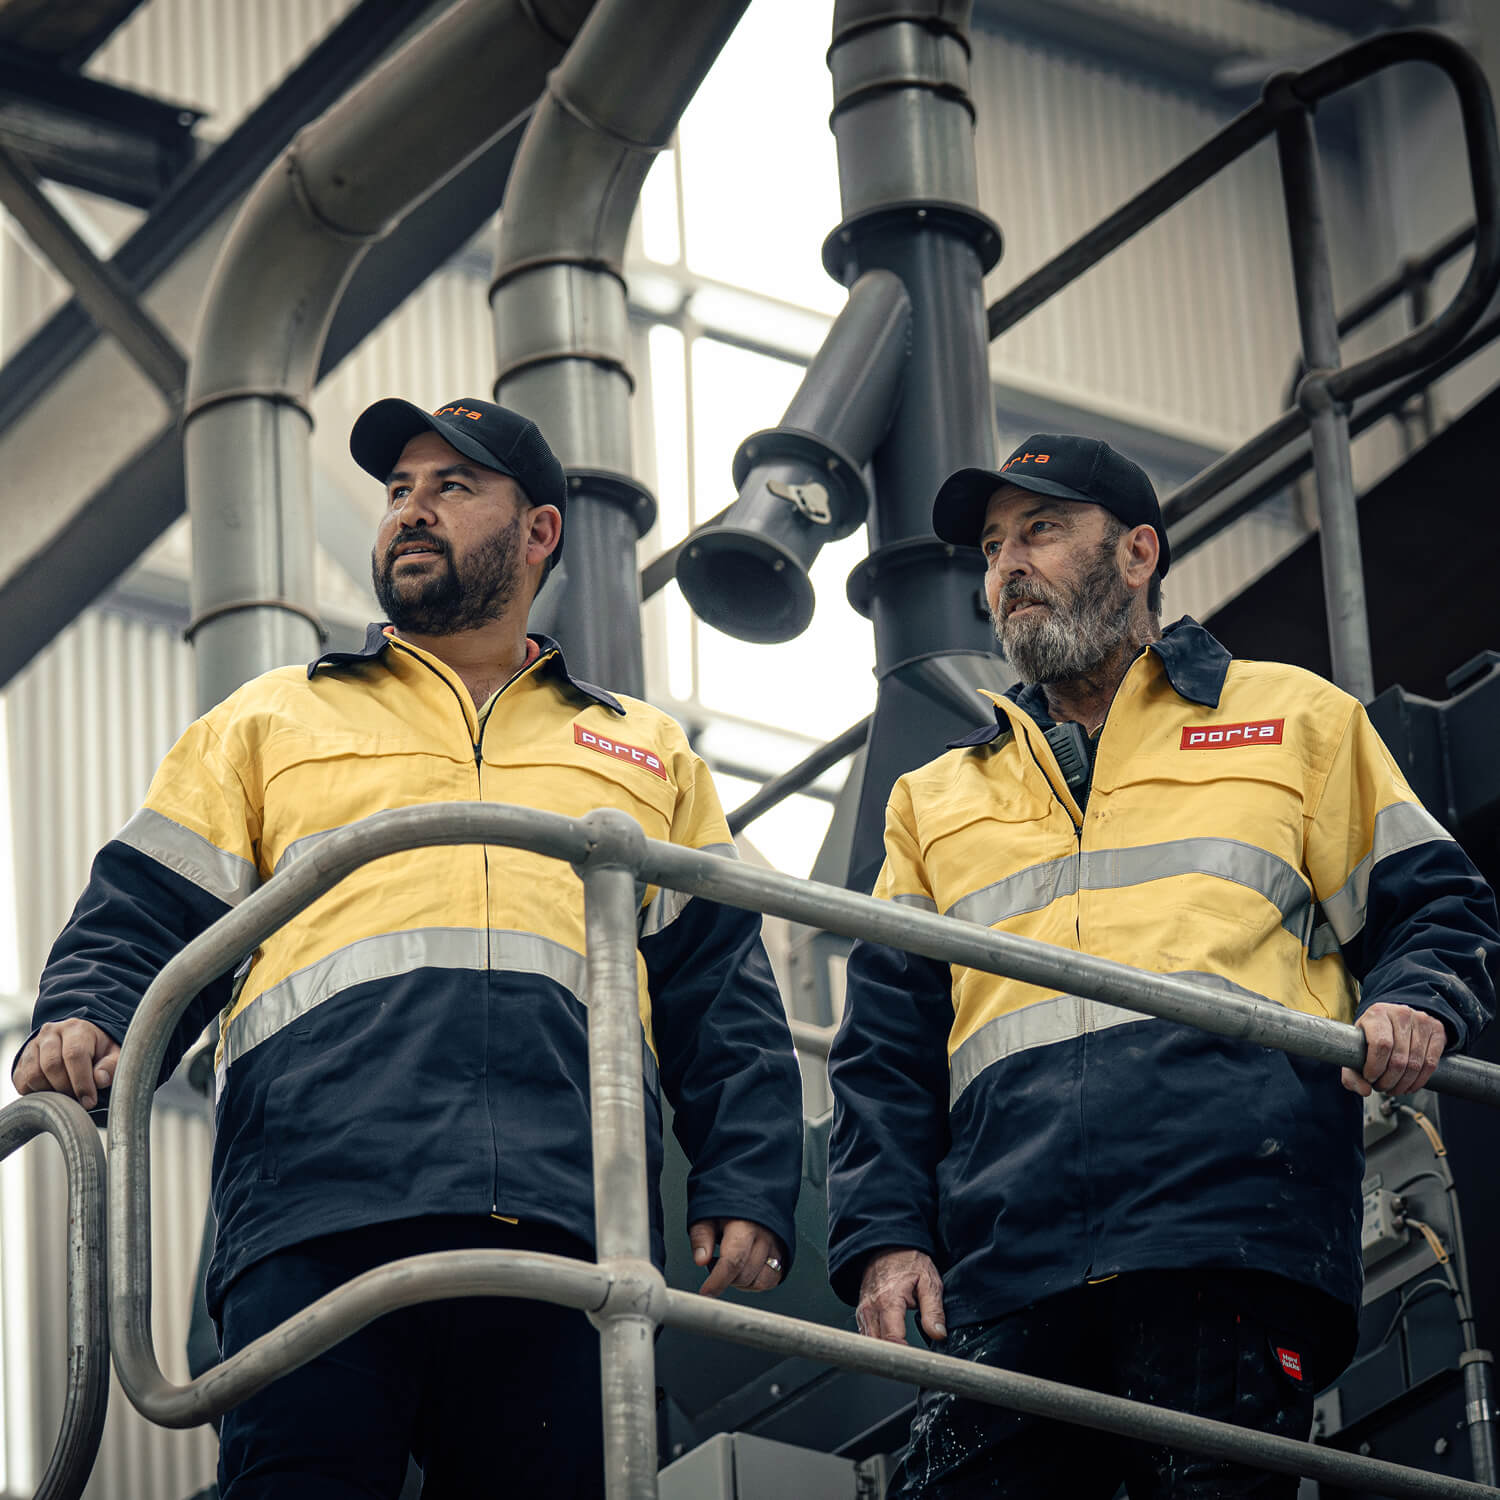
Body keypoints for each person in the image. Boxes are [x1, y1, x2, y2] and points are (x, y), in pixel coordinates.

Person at [13, 396, 804, 1499]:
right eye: (397, 491)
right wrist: (89, 1015)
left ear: (538, 534)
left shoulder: (643, 750)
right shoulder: (272, 720)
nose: (411, 513)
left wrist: (751, 1179)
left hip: (564, 1219)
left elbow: (719, 990)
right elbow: (148, 907)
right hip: (315, 1210)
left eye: (452, 488)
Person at [826, 432, 1499, 1498]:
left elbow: (1440, 903)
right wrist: (885, 1241)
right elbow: (885, 1051)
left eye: (1040, 530)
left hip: (1226, 1238)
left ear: (1138, 554)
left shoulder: (1293, 721)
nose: (1006, 566)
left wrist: (1418, 1000)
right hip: (1009, 1269)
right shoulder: (933, 799)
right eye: (993, 547)